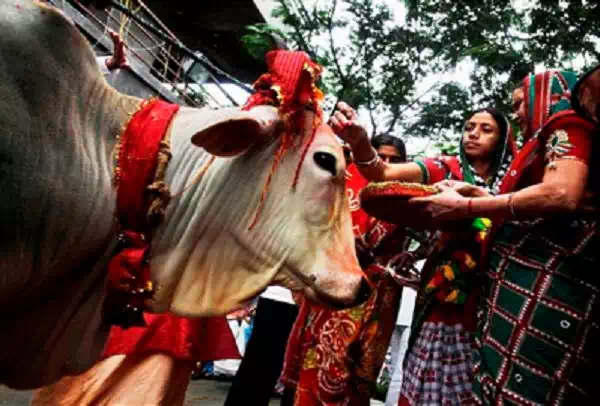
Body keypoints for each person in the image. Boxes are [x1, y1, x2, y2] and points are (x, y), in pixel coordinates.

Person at [410, 69, 598, 404]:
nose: (516, 114)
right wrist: (472, 193)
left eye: (520, 104)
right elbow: (525, 205)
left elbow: (560, 194)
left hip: (545, 294)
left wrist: (466, 205)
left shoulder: (568, 124)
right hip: (507, 294)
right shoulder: (536, 147)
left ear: (546, 96)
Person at [332, 103, 516, 404]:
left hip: (496, 290)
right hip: (444, 290)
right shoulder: (444, 168)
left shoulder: (513, 179)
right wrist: (361, 141)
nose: (473, 134)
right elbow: (383, 172)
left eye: (486, 130)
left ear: (503, 138)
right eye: (469, 127)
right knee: (431, 358)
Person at [280, 135, 417, 405]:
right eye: (381, 156)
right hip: (336, 283)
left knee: (359, 370)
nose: (386, 163)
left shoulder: (408, 194)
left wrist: (409, 256)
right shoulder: (342, 182)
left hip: (380, 294)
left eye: (394, 160)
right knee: (323, 359)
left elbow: (426, 235)